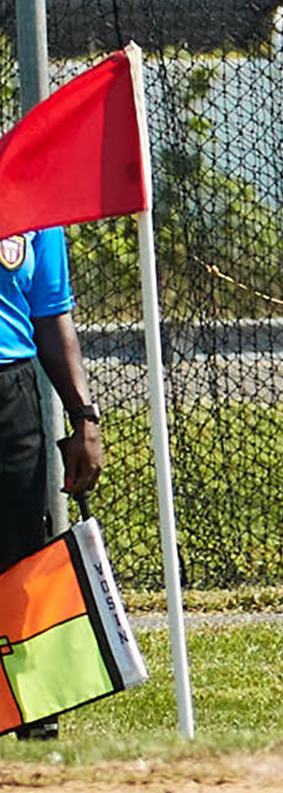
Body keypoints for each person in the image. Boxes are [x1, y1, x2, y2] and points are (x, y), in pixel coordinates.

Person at [0, 227, 104, 741]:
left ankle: (33, 720)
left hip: (10, 394)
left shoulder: (31, 193)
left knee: (22, 556)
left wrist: (84, 417)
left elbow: (50, 313)